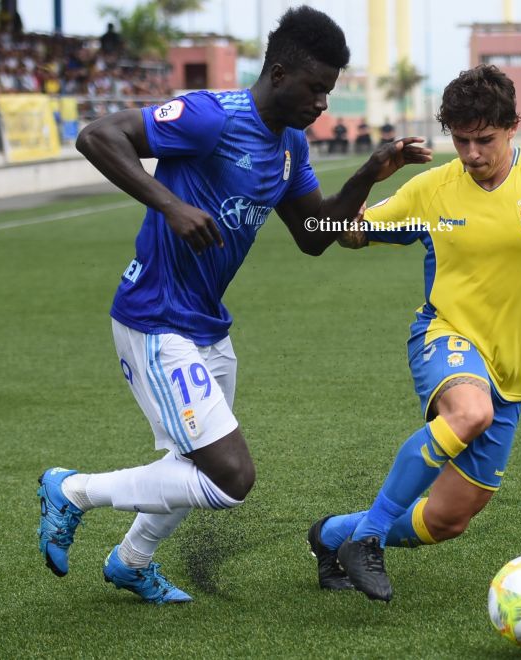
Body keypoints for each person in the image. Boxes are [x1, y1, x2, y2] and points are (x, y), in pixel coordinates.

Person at [36, 6, 431, 605]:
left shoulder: (290, 146)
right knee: (230, 478)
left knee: (190, 468)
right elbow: (97, 135)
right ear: (278, 72)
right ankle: (72, 491)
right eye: (316, 87)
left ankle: (131, 561)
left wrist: (372, 171)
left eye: (330, 90)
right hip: (155, 317)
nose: (323, 102)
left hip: (207, 327)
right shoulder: (209, 116)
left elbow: (314, 234)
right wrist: (168, 203)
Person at [307, 64, 521, 602]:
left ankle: (331, 536)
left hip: (512, 365)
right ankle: (368, 539)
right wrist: (369, 178)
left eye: (484, 139)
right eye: (461, 140)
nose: (470, 153)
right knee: (469, 413)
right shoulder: (432, 189)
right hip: (444, 334)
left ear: (514, 125)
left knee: (447, 521)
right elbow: (338, 233)